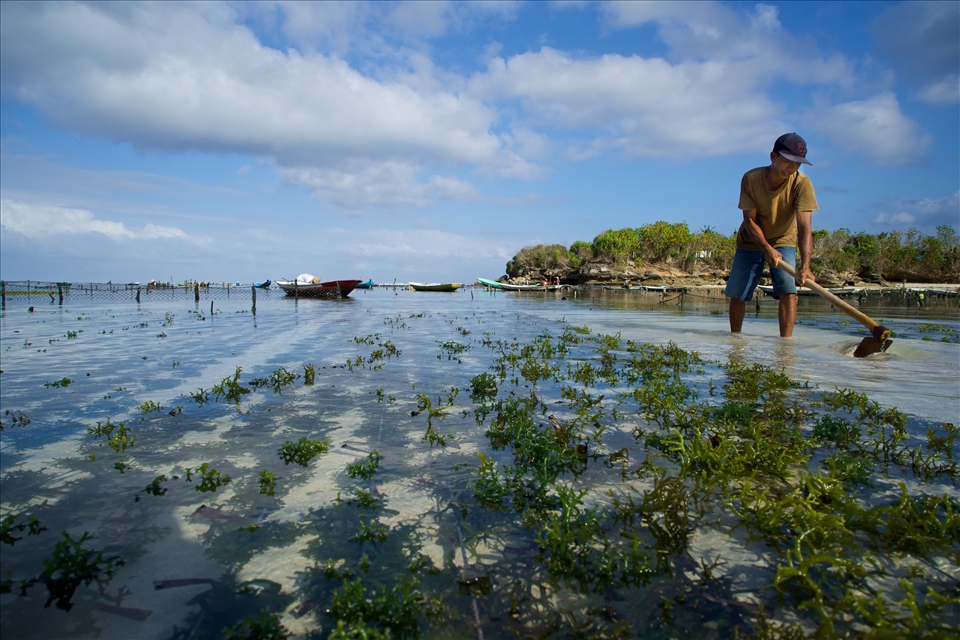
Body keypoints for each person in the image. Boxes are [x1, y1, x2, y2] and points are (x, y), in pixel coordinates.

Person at [725, 133, 818, 337]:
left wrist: (806, 266)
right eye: (787, 162)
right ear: (772, 157)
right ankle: (735, 342)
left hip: (783, 238)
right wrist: (766, 249)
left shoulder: (802, 183)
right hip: (751, 239)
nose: (791, 168)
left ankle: (786, 346)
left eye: (797, 164)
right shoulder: (751, 179)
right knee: (738, 293)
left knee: (788, 290)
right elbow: (750, 220)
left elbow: (804, 228)